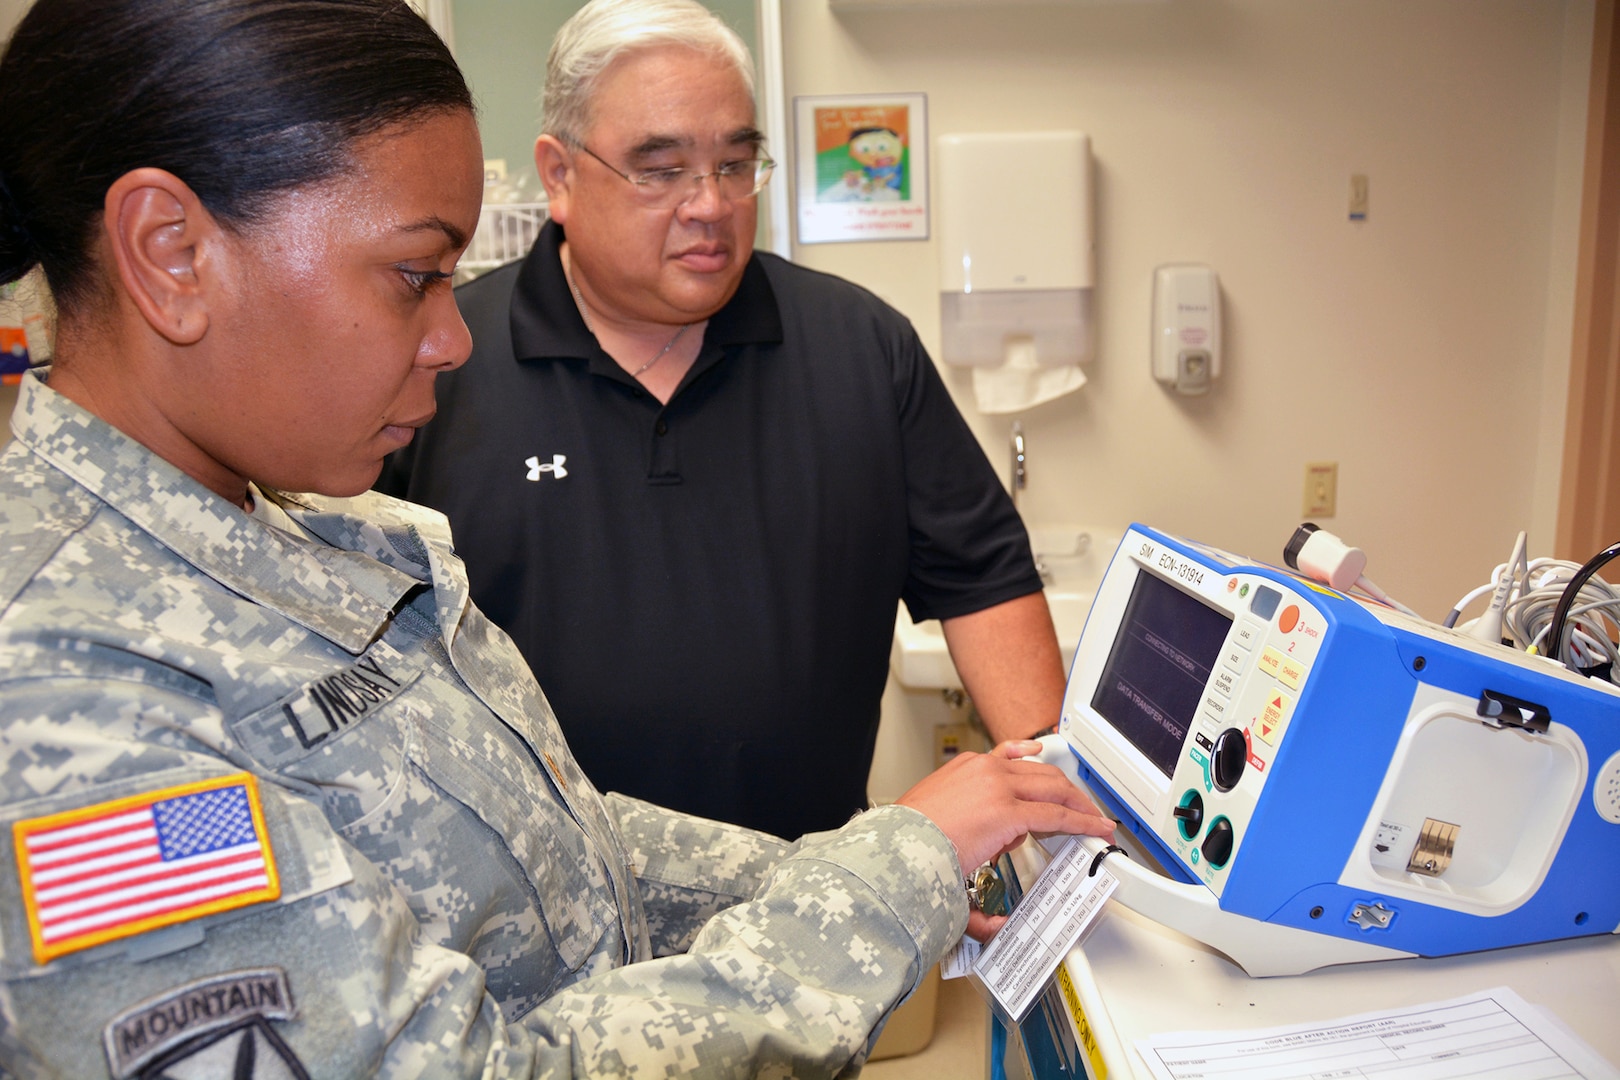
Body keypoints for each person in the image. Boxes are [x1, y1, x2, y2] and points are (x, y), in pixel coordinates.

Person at [0, 0, 1114, 1075]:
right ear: (169, 252)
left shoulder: (330, 541)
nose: (449, 336)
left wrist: (868, 881)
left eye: (734, 164)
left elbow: (561, 851)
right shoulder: (66, 699)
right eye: (414, 275)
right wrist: (884, 880)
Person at [378, 0, 1069, 840]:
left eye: (736, 164)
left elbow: (986, 582)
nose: (710, 204)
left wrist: (1047, 808)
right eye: (660, 169)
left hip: (825, 917)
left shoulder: (860, 346)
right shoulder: (440, 359)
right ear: (558, 175)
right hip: (544, 939)